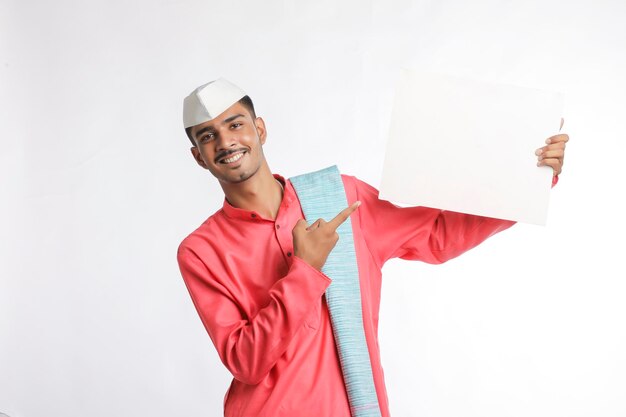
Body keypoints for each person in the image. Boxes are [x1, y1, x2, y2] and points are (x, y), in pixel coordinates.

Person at [176, 78, 568, 417]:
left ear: (259, 130)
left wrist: (530, 181)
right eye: (207, 135)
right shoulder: (201, 250)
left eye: (235, 124)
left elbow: (439, 234)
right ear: (198, 156)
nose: (226, 141)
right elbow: (246, 360)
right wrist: (305, 270)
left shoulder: (339, 199)